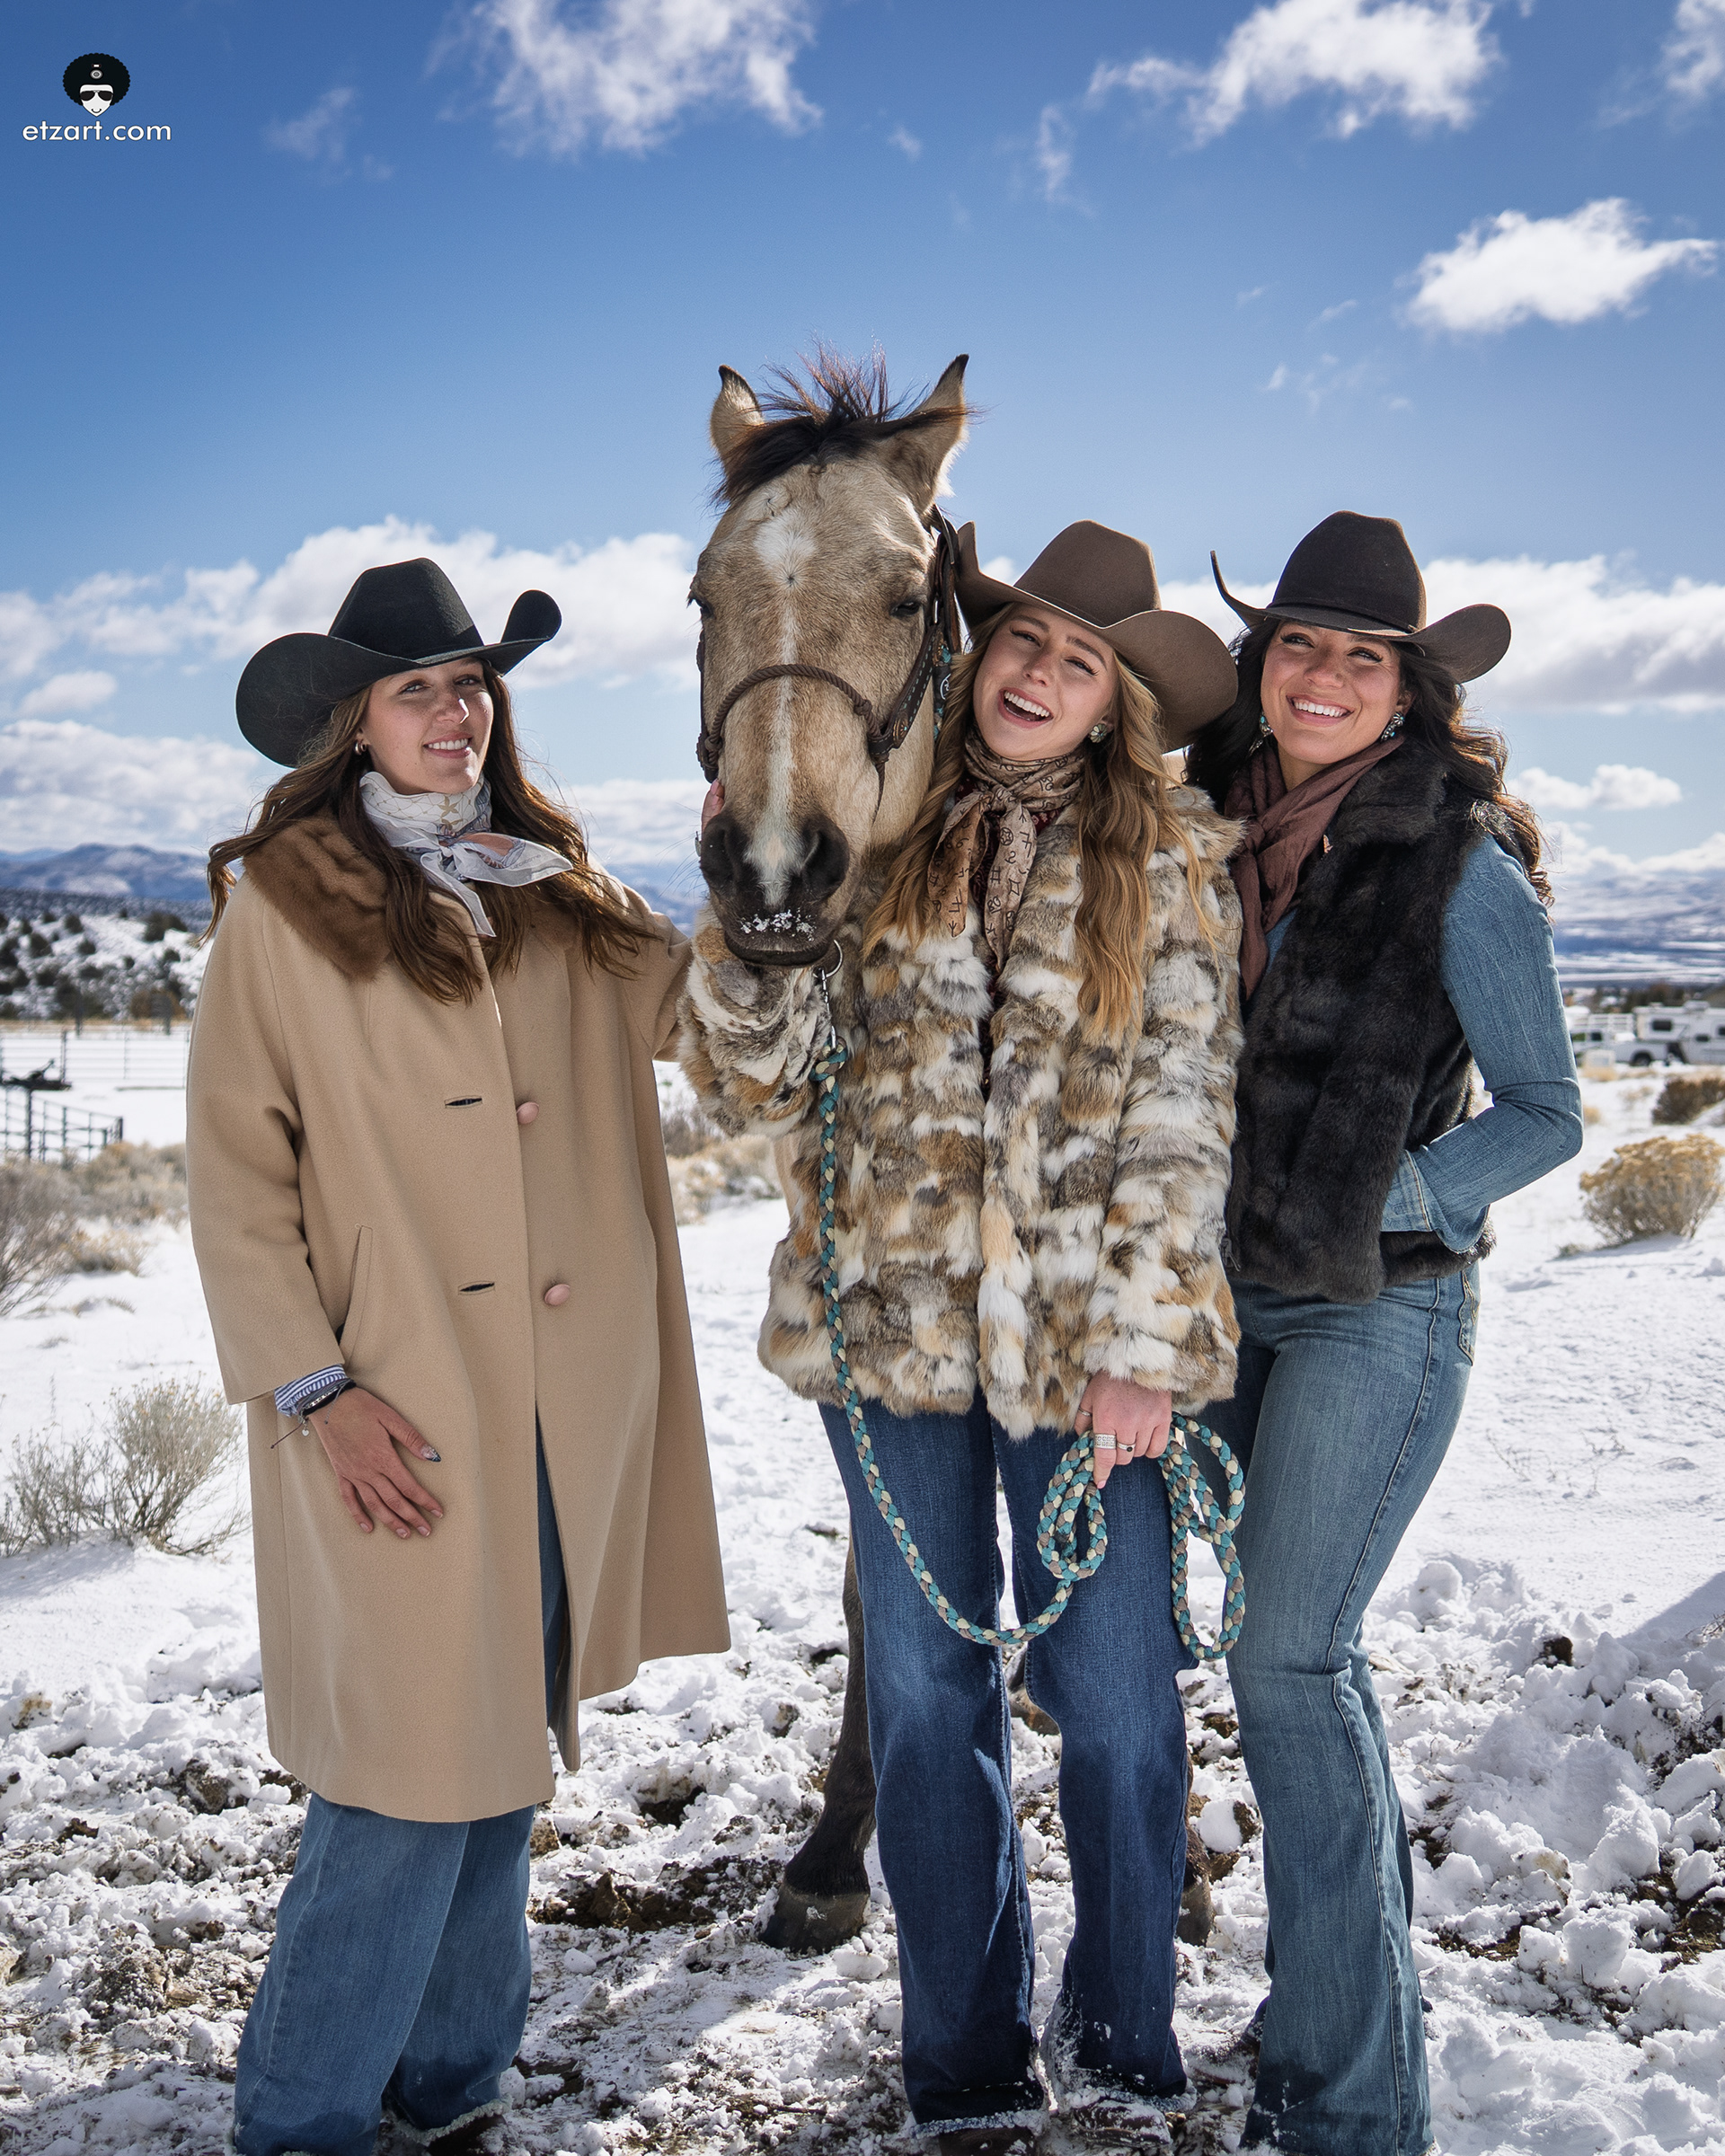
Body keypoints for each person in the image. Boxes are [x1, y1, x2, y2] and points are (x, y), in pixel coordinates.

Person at [681, 523, 1244, 2154]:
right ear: (978, 653)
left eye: (1083, 663)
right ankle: (965, 2062)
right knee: (928, 1700)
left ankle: (1125, 2039)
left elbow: (1184, 1114)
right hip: (891, 1336)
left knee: (1121, 1703)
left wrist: (1144, 1346)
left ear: (1117, 703)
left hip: (1087, 1357)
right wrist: (751, 932)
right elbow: (754, 1083)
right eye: (1025, 642)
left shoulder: (1174, 864)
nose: (1042, 676)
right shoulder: (880, 836)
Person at [186, 558, 730, 2156]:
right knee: (399, 1776)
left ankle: (452, 2086)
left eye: (472, 685)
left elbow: (717, 1025)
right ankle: (301, 2121)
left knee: (502, 1753)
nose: (455, 711)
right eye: (417, 688)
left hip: (561, 1412)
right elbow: (234, 1176)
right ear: (354, 722)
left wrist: (754, 875)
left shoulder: (556, 889)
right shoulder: (285, 905)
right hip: (390, 1401)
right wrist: (314, 1389)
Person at [1186, 513, 1583, 2156]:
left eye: (1365, 656)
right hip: (1219, 1308)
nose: (1326, 675)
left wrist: (1391, 1193)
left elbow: (1549, 1112)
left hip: (1380, 1305)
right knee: (1262, 1656)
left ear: (1410, 692)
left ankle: (1356, 2107)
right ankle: (1322, 2011)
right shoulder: (1205, 830)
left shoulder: (1458, 860)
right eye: (1301, 643)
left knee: (1290, 1658)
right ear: (1261, 666)